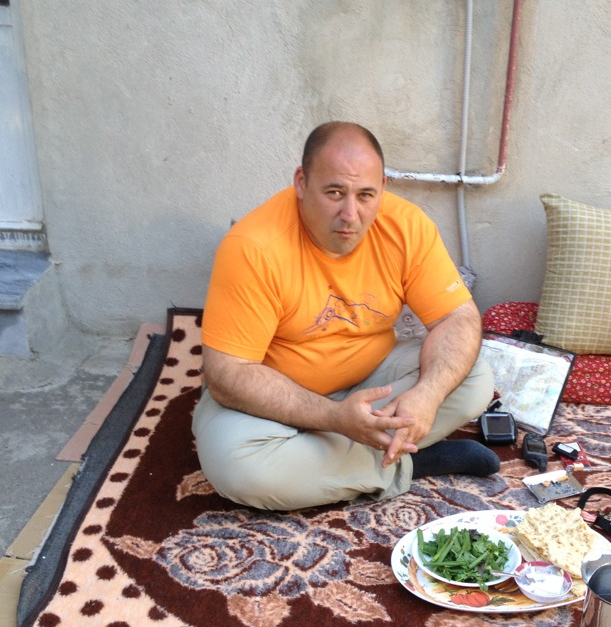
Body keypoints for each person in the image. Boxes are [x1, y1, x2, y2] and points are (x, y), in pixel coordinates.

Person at [192, 121, 499, 510]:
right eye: (334, 193)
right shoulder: (253, 246)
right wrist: (334, 417)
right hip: (275, 400)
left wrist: (427, 395)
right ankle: (409, 460)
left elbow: (457, 318)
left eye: (366, 195)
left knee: (474, 377)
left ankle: (332, 460)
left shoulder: (406, 226)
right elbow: (227, 375)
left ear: (382, 187)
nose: (350, 214)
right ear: (301, 183)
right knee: (240, 469)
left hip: (372, 379)